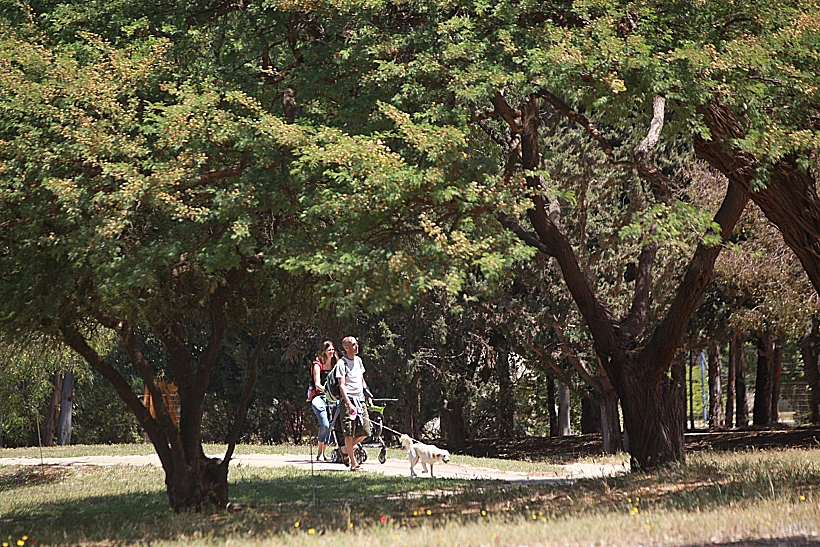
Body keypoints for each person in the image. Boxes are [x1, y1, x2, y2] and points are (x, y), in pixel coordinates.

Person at [336, 336, 372, 471]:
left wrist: (368, 395)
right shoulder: (341, 363)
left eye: (357, 343)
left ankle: (345, 449)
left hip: (360, 400)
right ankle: (353, 463)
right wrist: (348, 403)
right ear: (346, 347)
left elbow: (362, 380)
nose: (357, 346)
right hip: (348, 401)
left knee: (366, 431)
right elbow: (342, 385)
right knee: (349, 433)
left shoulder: (358, 361)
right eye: (353, 344)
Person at [308, 340, 337, 462]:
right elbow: (317, 384)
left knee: (330, 426)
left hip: (332, 398)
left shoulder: (336, 364)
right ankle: (320, 453)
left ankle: (322, 454)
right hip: (319, 397)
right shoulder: (317, 364)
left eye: (332, 349)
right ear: (324, 351)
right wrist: (327, 391)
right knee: (324, 424)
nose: (331, 352)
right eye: (329, 350)